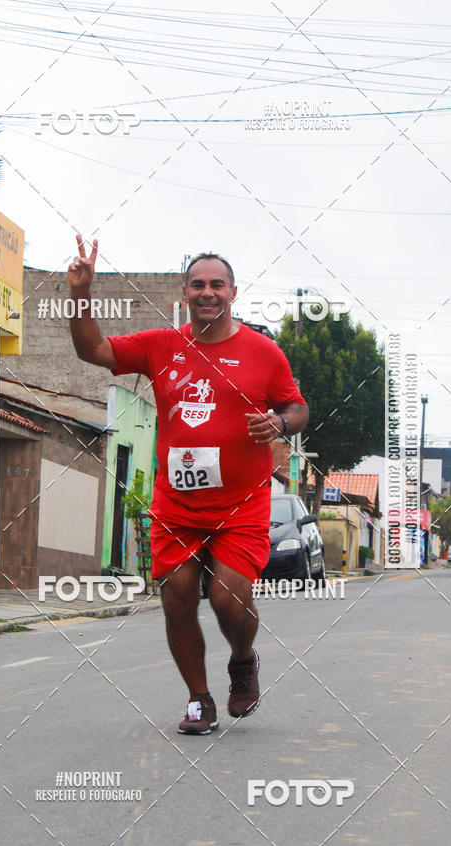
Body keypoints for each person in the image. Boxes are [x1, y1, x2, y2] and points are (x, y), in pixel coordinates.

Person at [67, 237, 308, 735]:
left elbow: (296, 406)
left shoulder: (264, 352)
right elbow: (92, 349)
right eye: (198, 284)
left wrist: (280, 425)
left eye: (216, 284)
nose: (207, 292)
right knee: (177, 597)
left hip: (241, 504)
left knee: (227, 598)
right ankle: (200, 699)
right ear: (185, 292)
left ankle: (242, 659)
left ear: (233, 292)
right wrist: (81, 293)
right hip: (176, 505)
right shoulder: (160, 345)